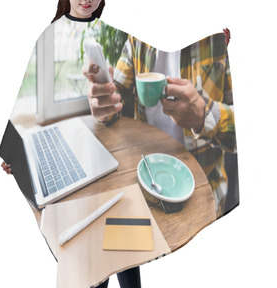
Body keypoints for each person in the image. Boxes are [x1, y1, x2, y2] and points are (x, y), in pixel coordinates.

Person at [2, 1, 148, 288]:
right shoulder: (50, 33)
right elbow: (30, 93)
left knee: (118, 218)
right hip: (65, 146)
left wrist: (214, 49)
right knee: (110, 224)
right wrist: (11, 151)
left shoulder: (110, 34)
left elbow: (147, 66)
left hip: (106, 144)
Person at [83, 31, 237, 218]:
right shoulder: (137, 40)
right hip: (143, 175)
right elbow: (116, 94)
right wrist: (103, 103)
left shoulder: (220, 39)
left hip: (204, 189)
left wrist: (204, 117)